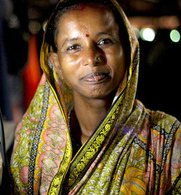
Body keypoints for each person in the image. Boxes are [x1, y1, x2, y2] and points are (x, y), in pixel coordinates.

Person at [10, 0, 181, 194]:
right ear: (56, 63)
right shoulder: (31, 140)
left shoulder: (167, 139)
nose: (91, 58)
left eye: (105, 41)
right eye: (74, 47)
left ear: (128, 49)